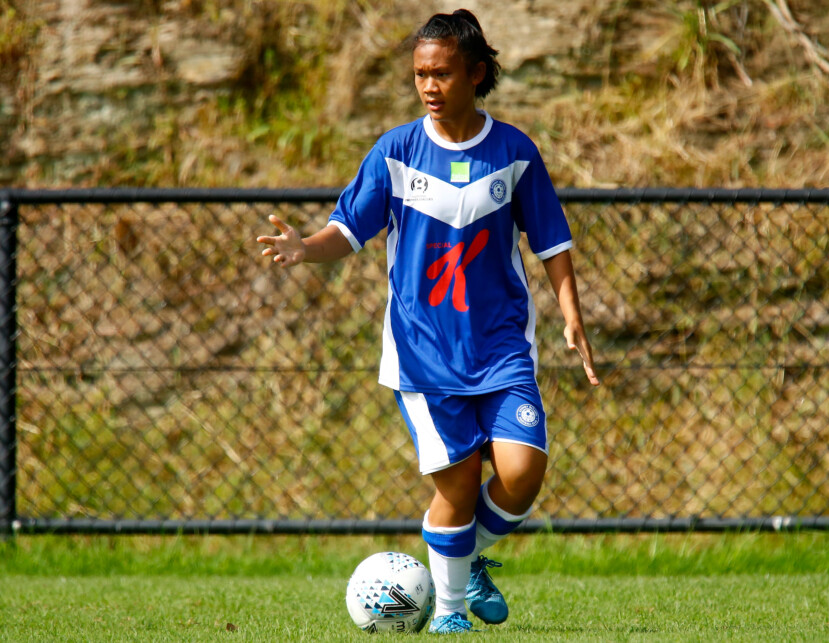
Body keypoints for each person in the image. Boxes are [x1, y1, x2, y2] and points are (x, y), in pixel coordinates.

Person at [257, 9, 600, 634]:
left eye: (441, 73)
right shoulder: (396, 152)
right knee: (460, 486)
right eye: (420, 74)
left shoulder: (515, 151)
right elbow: (348, 230)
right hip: (423, 356)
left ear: (477, 73)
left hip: (501, 349)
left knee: (522, 474)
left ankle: (465, 561)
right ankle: (448, 614)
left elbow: (550, 242)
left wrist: (572, 315)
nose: (429, 87)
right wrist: (307, 247)